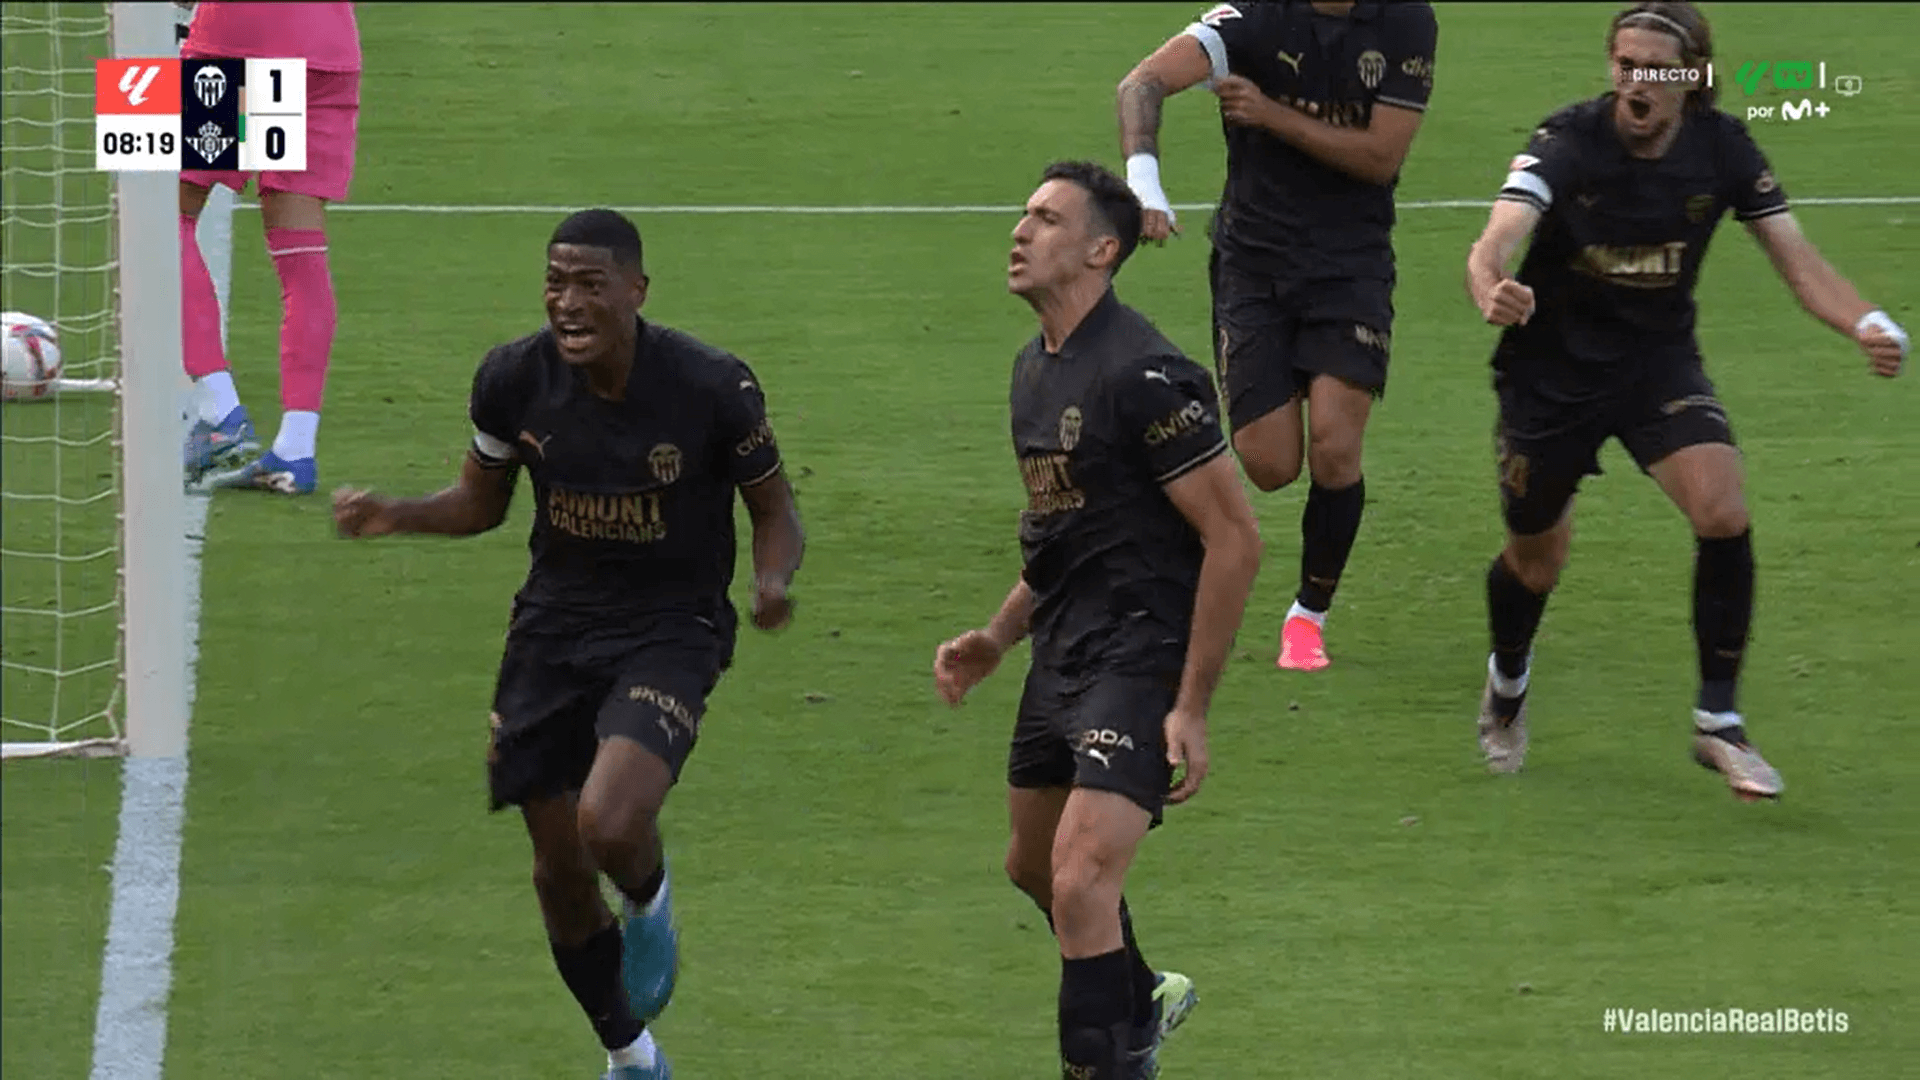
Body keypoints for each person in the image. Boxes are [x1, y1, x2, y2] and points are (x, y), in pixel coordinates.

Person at [332, 209, 806, 1079]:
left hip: (673, 626)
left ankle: (650, 895)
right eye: (556, 282)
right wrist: (395, 513)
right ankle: (631, 1056)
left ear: (637, 290)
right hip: (553, 630)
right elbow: (481, 504)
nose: (569, 303)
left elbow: (775, 510)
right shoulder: (513, 380)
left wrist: (772, 582)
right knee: (556, 871)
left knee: (609, 822)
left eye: (591, 284)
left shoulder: (712, 387)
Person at [1463, 1, 1907, 799]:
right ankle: (1508, 681)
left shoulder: (1724, 148)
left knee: (1723, 509)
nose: (1636, 82)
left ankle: (1718, 723)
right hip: (1551, 374)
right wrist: (1491, 280)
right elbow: (1498, 232)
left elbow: (1798, 262)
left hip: (1655, 366)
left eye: (1656, 69)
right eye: (1624, 64)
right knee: (1537, 559)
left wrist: (1867, 320)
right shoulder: (1568, 140)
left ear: (1692, 78)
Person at [934, 162, 1263, 1079]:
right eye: (1022, 211)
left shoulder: (1147, 374)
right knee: (1031, 866)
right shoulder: (1033, 370)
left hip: (1143, 647)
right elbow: (1064, 537)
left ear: (1101, 250)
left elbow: (1236, 539)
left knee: (1082, 878)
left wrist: (1190, 705)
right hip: (1065, 649)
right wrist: (998, 636)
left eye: (1045, 218)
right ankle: (1144, 996)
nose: (1020, 229)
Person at [1116, 1, 1437, 671]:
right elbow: (1140, 83)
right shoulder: (1253, 18)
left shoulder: (1405, 19)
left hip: (1351, 263)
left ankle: (1307, 618)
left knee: (1336, 446)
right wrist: (1143, 184)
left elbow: (1381, 156)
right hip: (1253, 265)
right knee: (1270, 465)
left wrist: (1271, 114)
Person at [177, 1, 362, 495]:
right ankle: (296, 449)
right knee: (302, 255)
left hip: (235, 41)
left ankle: (218, 409)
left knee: (160, 219)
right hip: (331, 52)